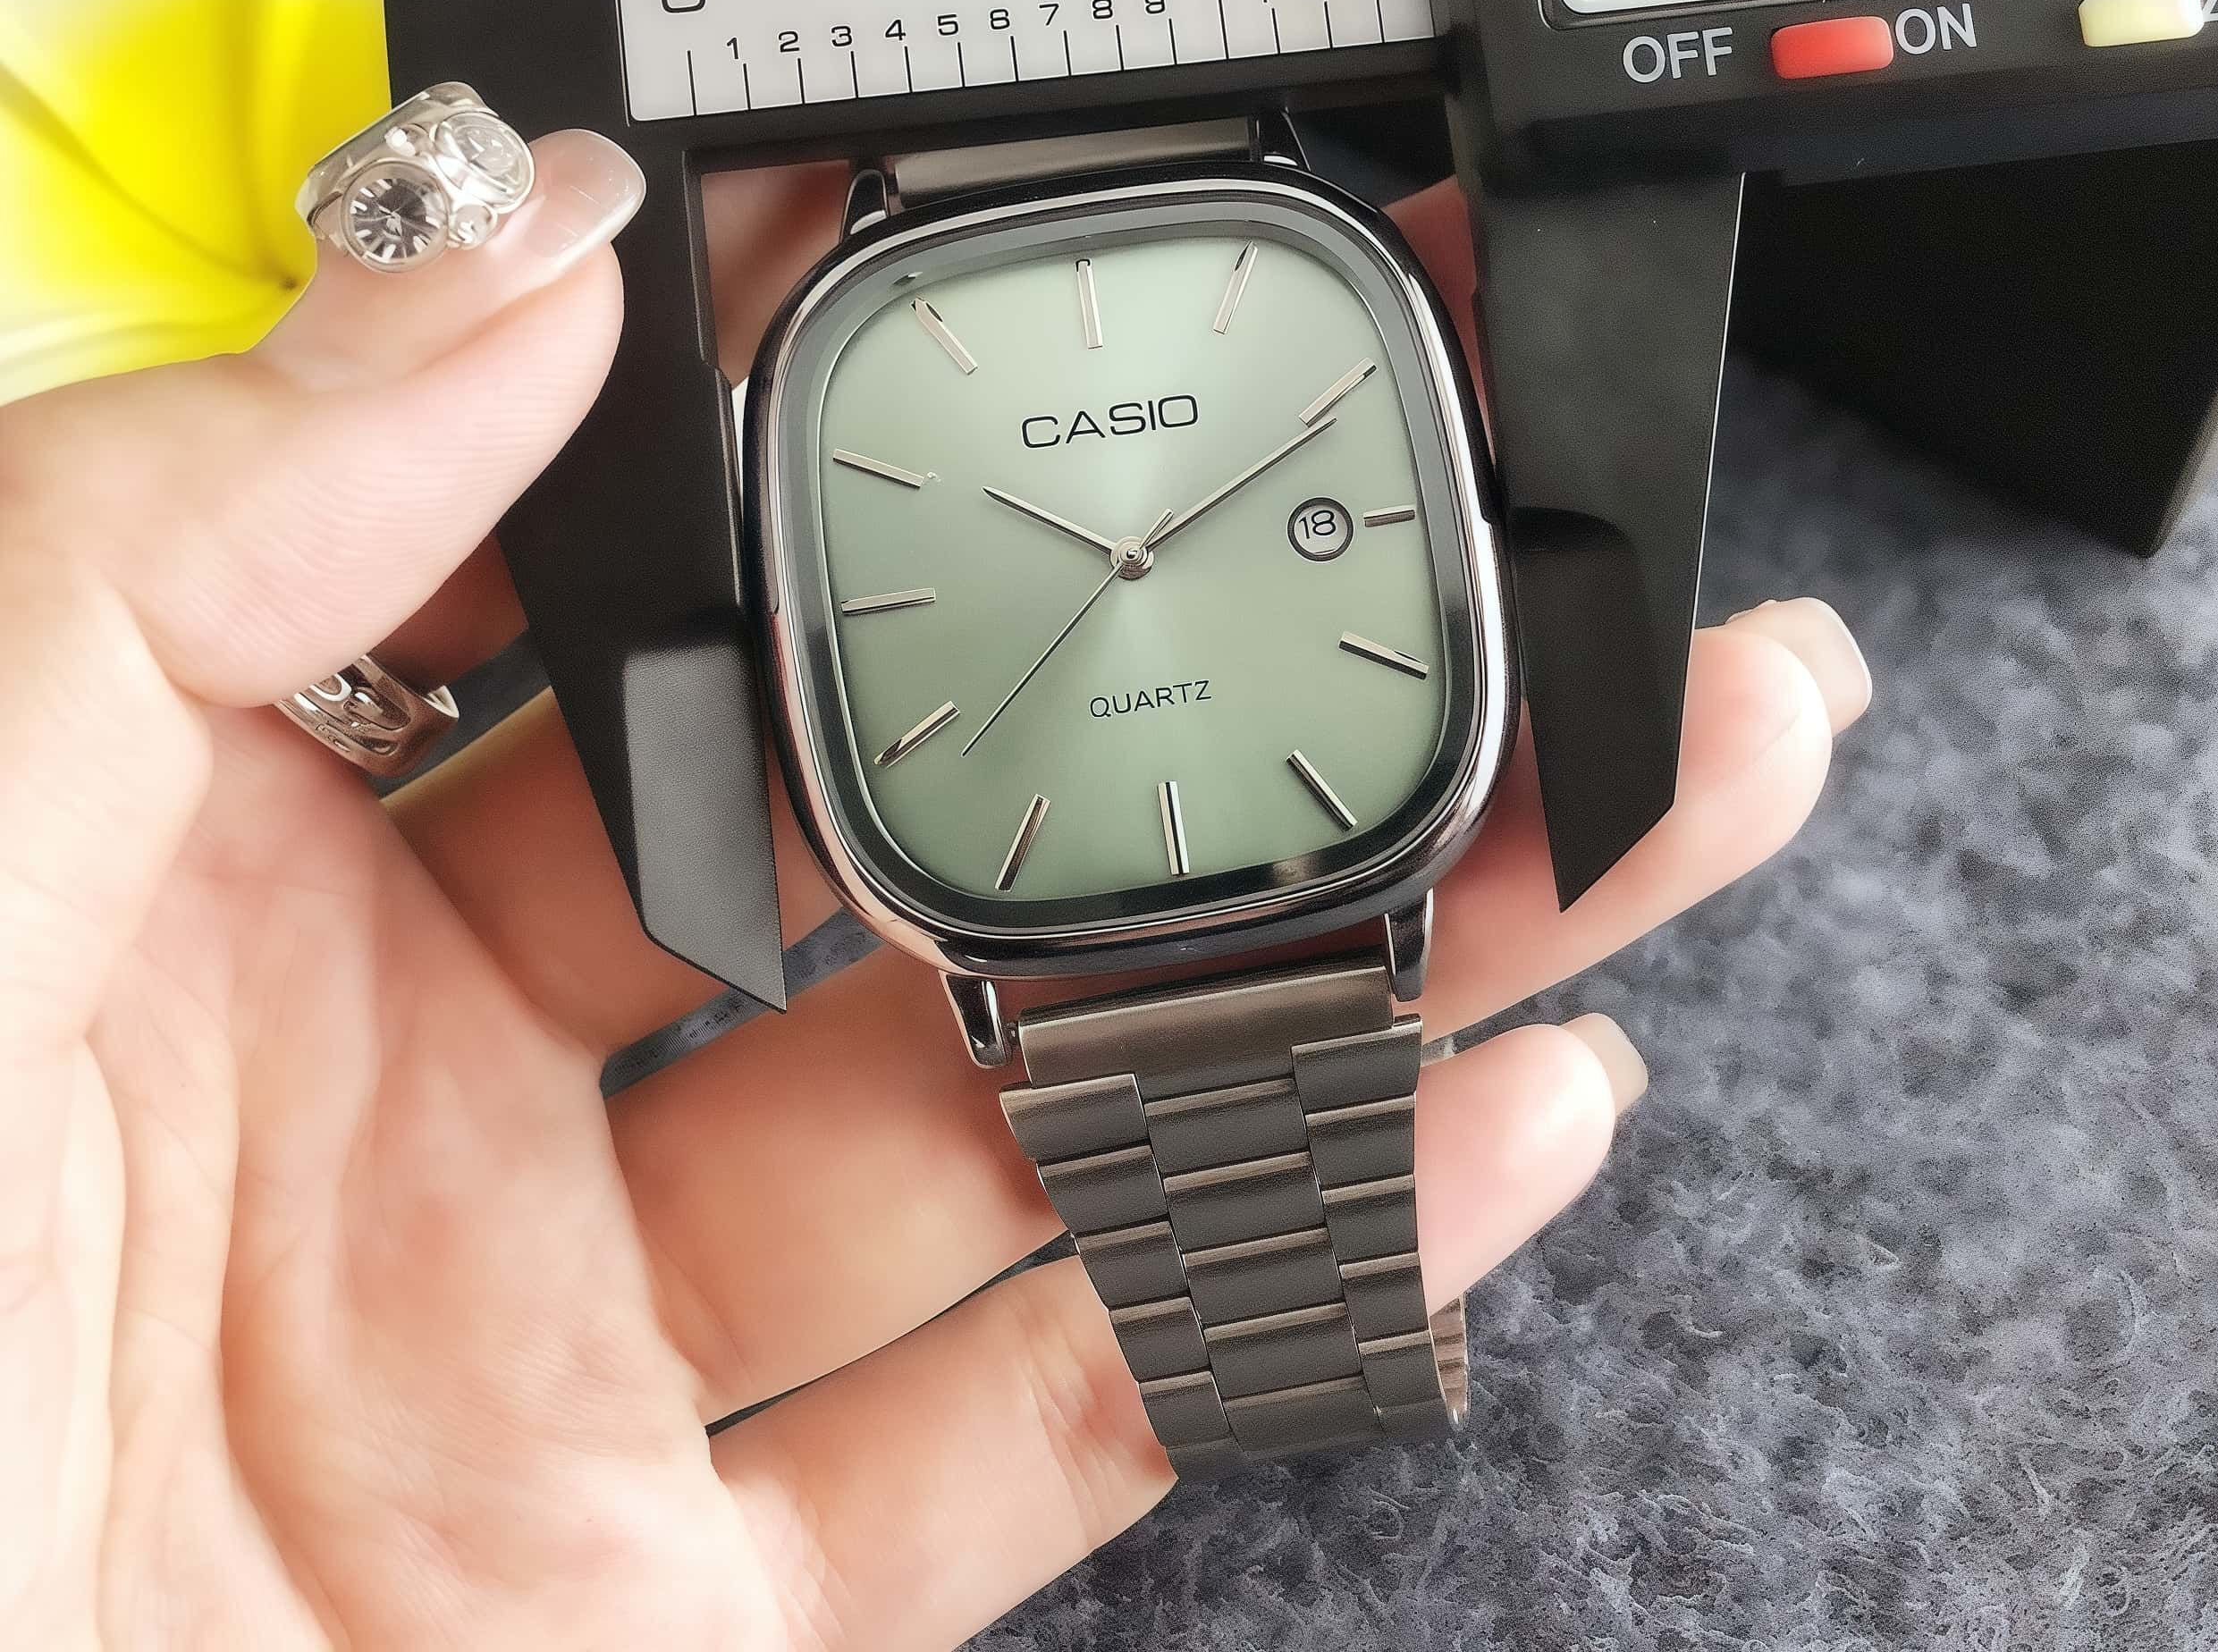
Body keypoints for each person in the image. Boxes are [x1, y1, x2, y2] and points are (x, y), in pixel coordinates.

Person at [0, 114, 1869, 1649]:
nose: (1131, 560)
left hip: (1293, 850)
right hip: (1069, 887)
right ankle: (1298, 1322)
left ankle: (1298, 1325)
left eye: (1143, 541)